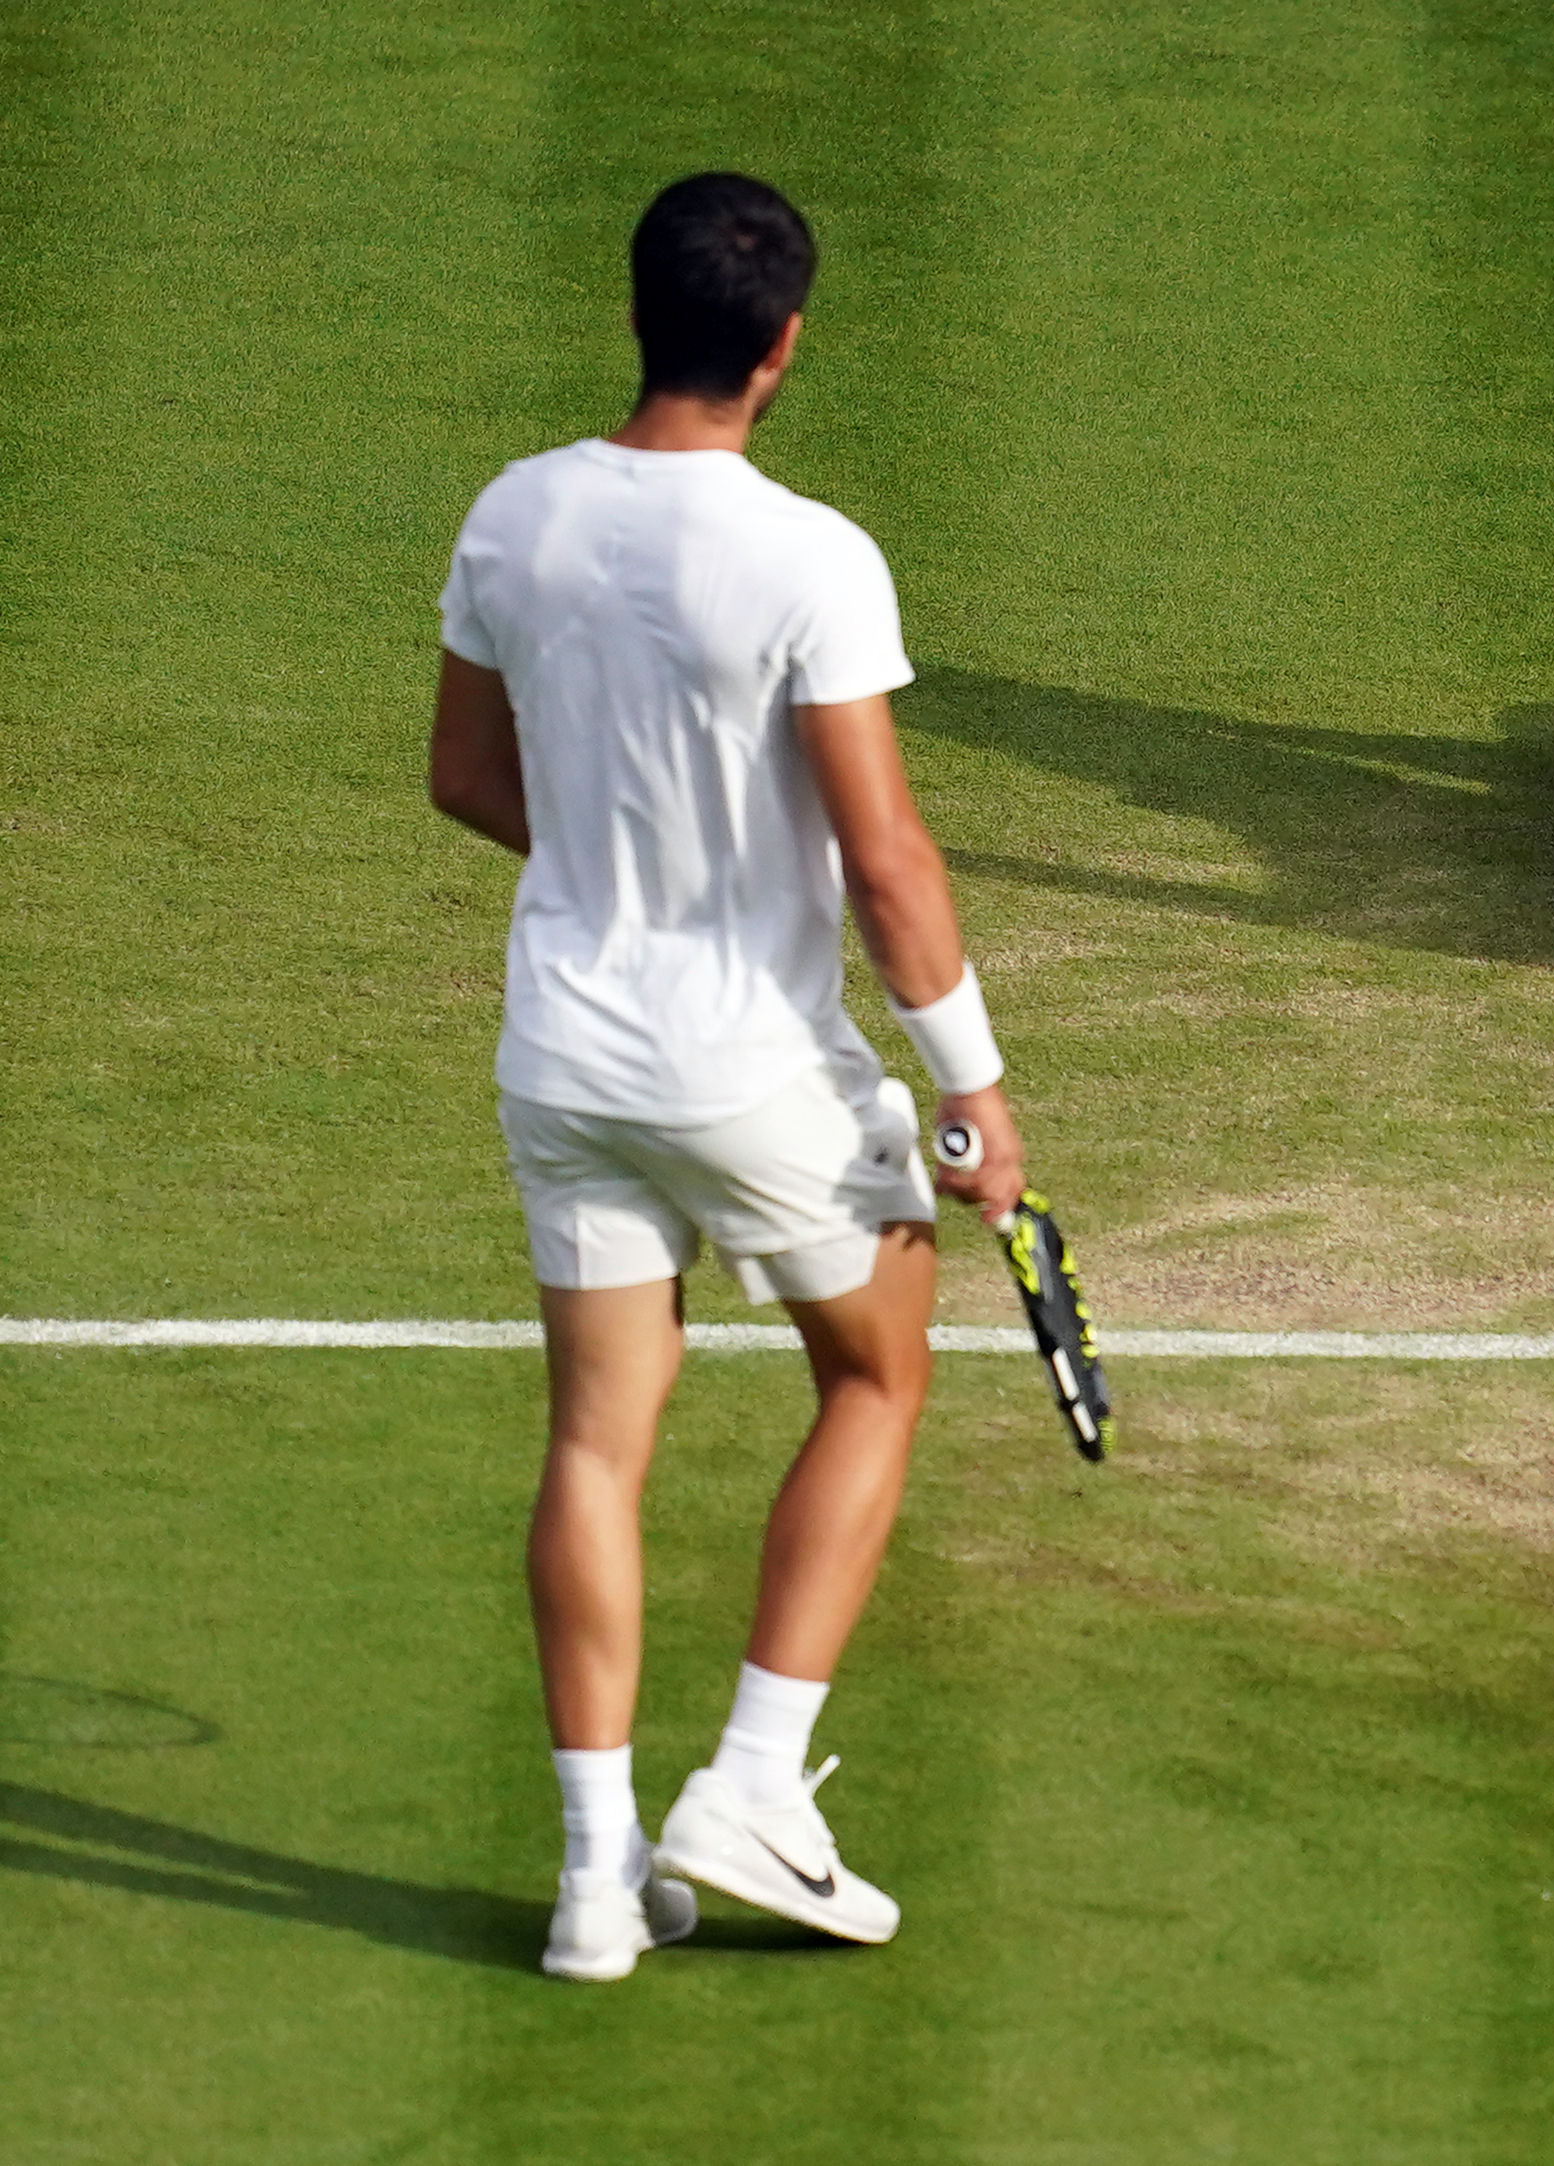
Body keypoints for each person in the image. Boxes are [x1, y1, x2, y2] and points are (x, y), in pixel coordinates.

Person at [426, 172, 1025, 1982]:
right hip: (749, 1068)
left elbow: (465, 778)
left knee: (597, 1439)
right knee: (879, 1372)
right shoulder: (811, 557)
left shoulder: (513, 514)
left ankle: (594, 1880)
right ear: (782, 348)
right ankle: (754, 1783)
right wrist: (974, 1088)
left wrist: (623, 861)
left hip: (564, 1055)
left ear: (637, 316)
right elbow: (890, 860)